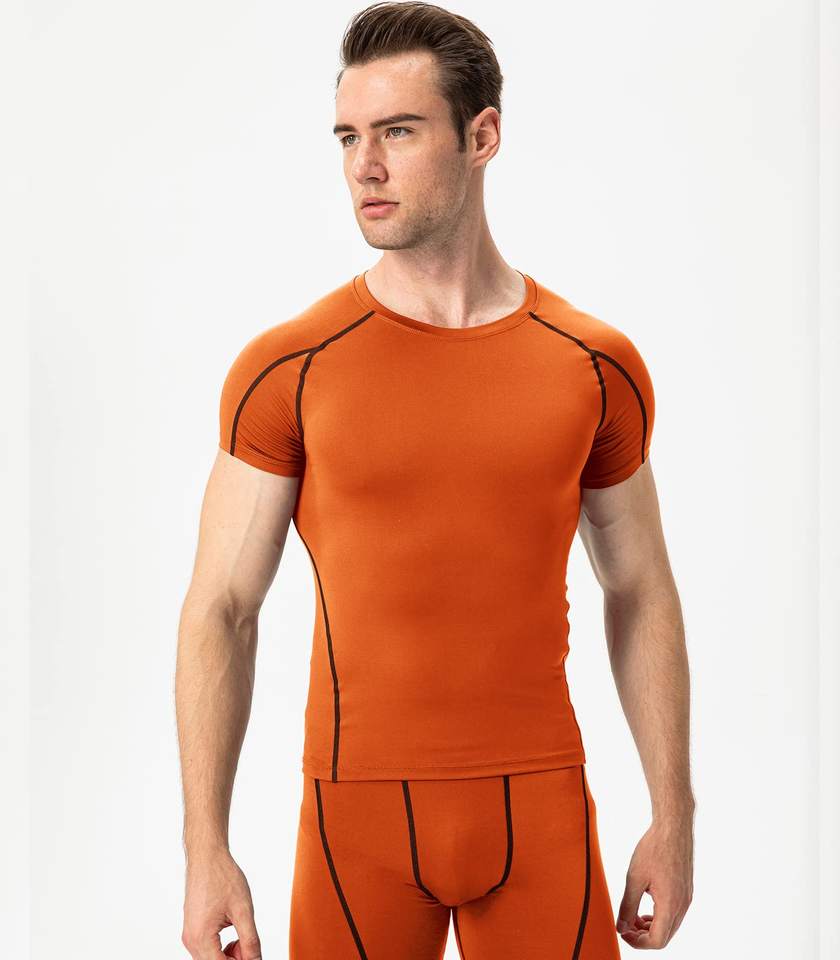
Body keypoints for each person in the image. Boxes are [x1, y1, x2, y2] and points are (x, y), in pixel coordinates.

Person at [175, 2, 695, 957]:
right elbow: (222, 609)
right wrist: (205, 848)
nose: (364, 166)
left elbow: (641, 588)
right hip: (354, 826)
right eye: (348, 137)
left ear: (481, 136)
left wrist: (674, 812)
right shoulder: (288, 369)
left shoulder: (592, 364)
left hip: (541, 810)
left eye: (399, 132)